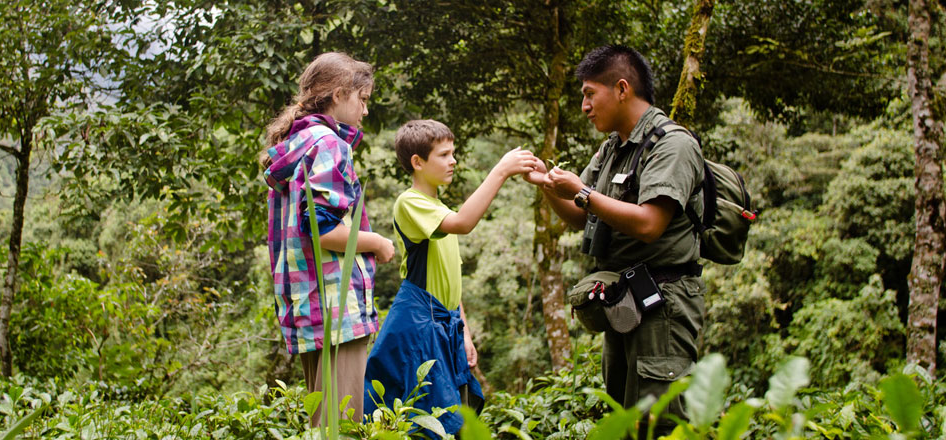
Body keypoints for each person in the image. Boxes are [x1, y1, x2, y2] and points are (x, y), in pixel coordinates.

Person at [525, 44, 706, 436]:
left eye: (591, 94)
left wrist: (583, 191)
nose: (585, 106)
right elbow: (579, 216)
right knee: (625, 419)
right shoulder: (613, 149)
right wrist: (546, 186)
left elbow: (649, 224)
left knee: (659, 420)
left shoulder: (672, 144)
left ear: (622, 88)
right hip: (625, 303)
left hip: (665, 305)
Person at [363, 119, 537, 435]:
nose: (453, 160)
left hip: (443, 323)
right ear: (417, 162)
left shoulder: (438, 207)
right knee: (428, 422)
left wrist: (466, 333)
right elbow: (464, 222)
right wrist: (501, 170)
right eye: (444, 154)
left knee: (453, 416)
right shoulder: (410, 201)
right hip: (417, 325)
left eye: (452, 153)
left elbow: (450, 282)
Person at [260, 52, 395, 426]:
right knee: (343, 424)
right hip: (338, 307)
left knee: (324, 422)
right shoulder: (331, 145)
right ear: (338, 95)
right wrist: (378, 242)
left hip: (309, 305)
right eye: (363, 100)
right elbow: (324, 231)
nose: (365, 111)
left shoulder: (298, 142)